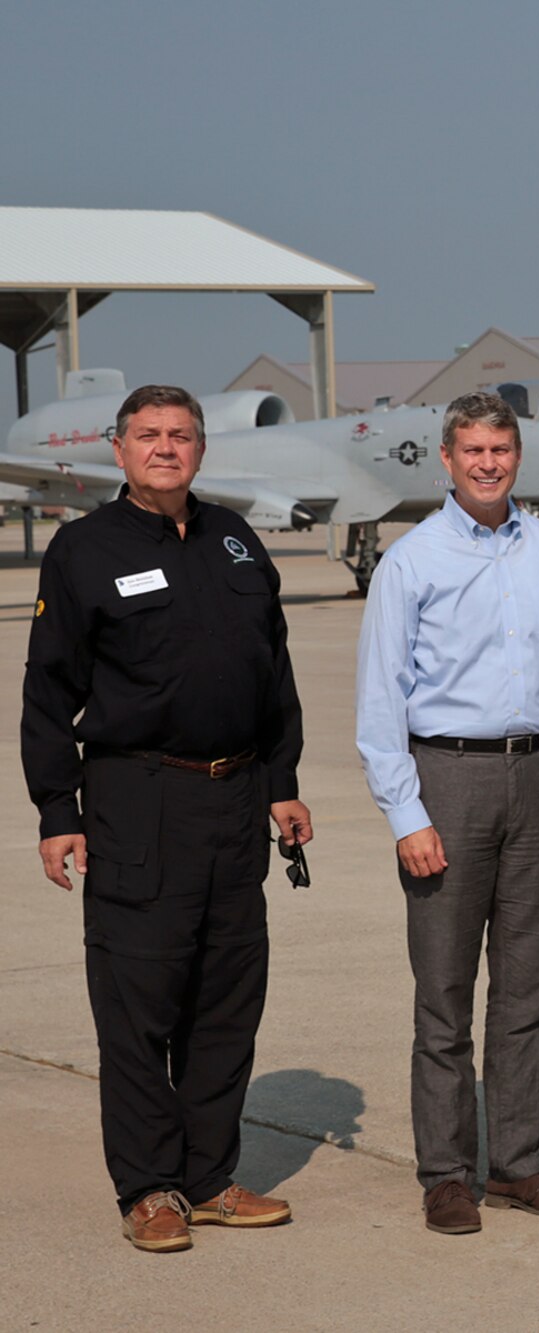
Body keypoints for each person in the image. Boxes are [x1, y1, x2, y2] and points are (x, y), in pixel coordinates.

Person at [23, 384, 311, 1252]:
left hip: (234, 800)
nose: (165, 447)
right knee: (139, 1002)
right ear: (118, 451)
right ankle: (149, 1187)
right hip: (137, 801)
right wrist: (56, 808)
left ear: (200, 449)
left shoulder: (234, 537)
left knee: (227, 998)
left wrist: (283, 782)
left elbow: (276, 672)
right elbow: (47, 693)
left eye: (180, 435)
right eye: (147, 435)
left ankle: (211, 1176)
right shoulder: (83, 550)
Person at [356, 390, 539, 1235]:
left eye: (500, 449)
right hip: (447, 781)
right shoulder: (411, 561)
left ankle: (518, 1162)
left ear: (517, 456)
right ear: (447, 458)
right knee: (445, 992)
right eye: (472, 451)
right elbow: (379, 703)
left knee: (528, 990)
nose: (488, 463)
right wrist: (406, 814)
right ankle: (446, 1172)